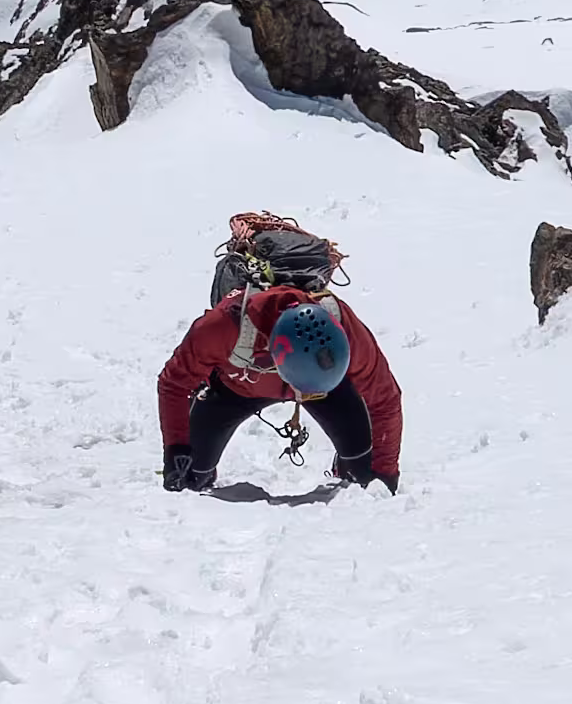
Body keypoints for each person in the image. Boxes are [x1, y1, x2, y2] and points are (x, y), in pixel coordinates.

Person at [158, 209, 400, 492]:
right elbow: (174, 383)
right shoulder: (223, 326)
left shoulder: (342, 322)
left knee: (366, 477)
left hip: (324, 387)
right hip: (236, 390)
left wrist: (385, 472)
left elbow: (385, 398)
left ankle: (349, 466)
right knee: (189, 480)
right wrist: (176, 447)